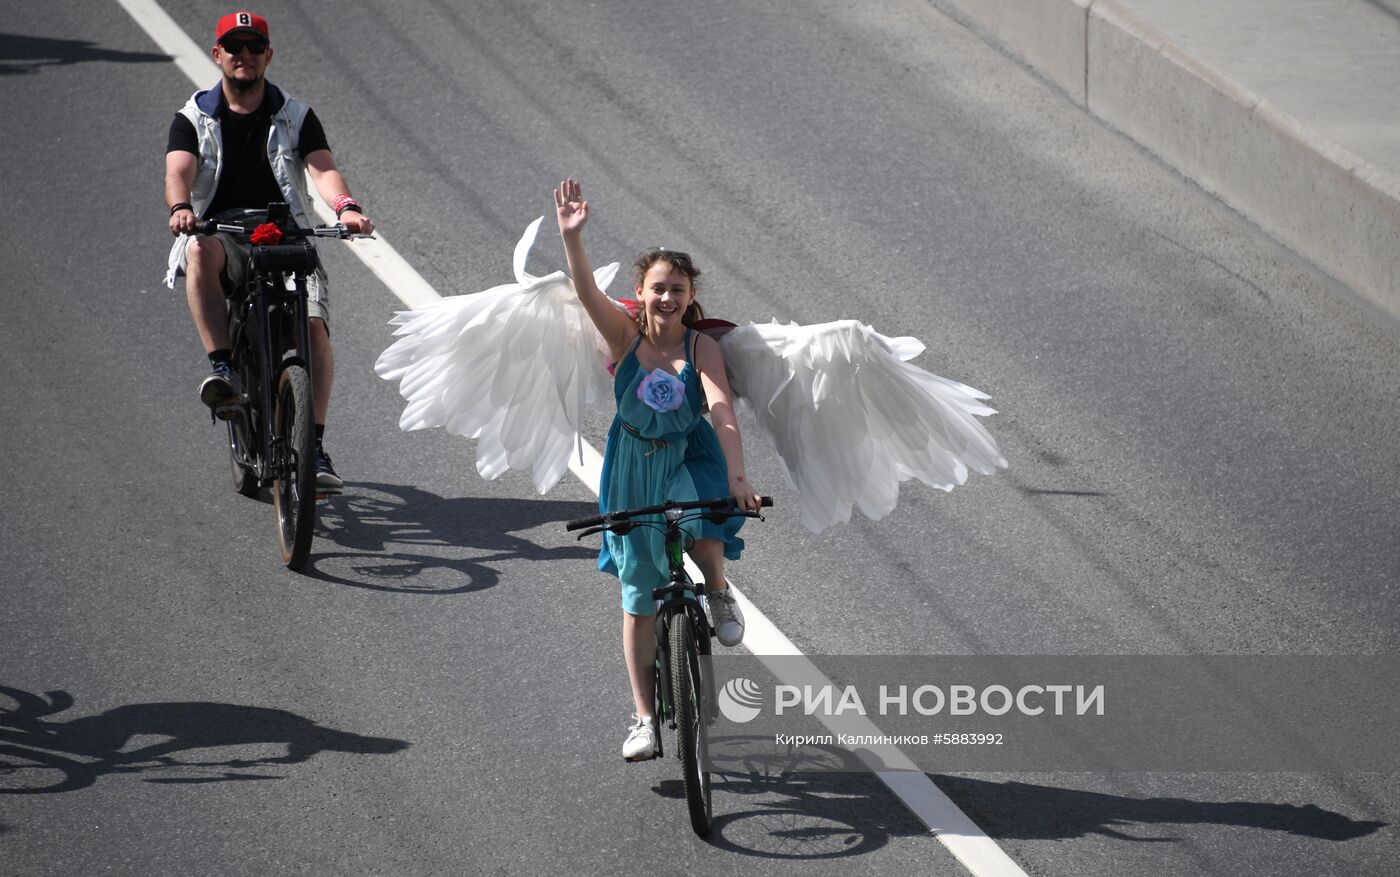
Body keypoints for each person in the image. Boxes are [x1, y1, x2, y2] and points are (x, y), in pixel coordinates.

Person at [553, 178, 762, 762]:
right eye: (657, 289)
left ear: (690, 296)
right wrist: (573, 237)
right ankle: (644, 718)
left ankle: (717, 591)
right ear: (639, 293)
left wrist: (740, 476)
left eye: (678, 289)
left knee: (702, 515)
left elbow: (720, 414)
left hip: (687, 452)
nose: (666, 298)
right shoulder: (623, 335)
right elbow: (584, 289)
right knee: (638, 594)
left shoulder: (702, 348)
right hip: (630, 464)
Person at [164, 10, 375, 495]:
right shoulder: (193, 117)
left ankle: (315, 446)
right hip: (223, 231)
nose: (244, 56)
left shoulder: (295, 114)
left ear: (268, 56)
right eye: (233, 47)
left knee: (316, 330)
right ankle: (223, 369)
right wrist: (181, 207)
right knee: (199, 252)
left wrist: (345, 208)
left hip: (286, 234)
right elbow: (179, 170)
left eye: (254, 47)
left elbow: (322, 169)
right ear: (217, 54)